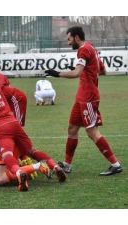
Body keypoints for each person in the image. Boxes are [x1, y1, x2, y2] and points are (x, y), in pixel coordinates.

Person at [45, 26, 122, 176]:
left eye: (69, 39)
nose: (68, 43)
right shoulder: (91, 48)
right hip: (81, 98)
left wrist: (58, 73)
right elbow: (102, 70)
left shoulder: (83, 49)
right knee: (72, 129)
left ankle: (115, 164)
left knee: (91, 131)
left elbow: (77, 73)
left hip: (88, 98)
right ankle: (67, 164)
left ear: (76, 37)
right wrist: (84, 68)